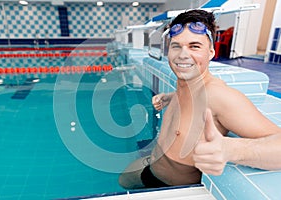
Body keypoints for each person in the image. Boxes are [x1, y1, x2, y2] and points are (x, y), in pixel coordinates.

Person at [119, 9, 281, 189]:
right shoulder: (186, 85)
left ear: (211, 52)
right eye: (176, 46)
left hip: (174, 189)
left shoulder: (219, 97)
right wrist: (169, 97)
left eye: (194, 46)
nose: (183, 55)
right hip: (153, 168)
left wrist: (231, 149)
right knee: (122, 179)